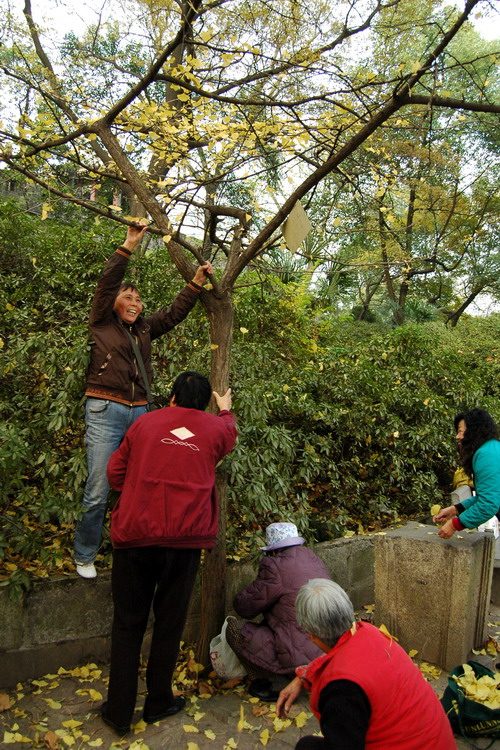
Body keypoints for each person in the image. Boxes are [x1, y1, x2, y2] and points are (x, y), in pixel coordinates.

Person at [100, 371, 237, 735]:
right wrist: (225, 410)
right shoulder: (213, 429)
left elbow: (115, 473)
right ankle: (158, 702)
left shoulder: (145, 424)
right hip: (184, 543)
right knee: (169, 622)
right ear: (206, 402)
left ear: (173, 397)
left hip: (135, 538)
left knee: (127, 624)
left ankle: (118, 711)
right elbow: (229, 434)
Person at [74, 224, 213, 578]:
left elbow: (172, 315)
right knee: (99, 487)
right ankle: (85, 553)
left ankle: (128, 543)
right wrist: (128, 246)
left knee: (143, 483)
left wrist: (195, 282)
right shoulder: (101, 322)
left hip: (141, 413)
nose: (135, 303)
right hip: (106, 408)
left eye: (138, 299)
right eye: (128, 297)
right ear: (113, 304)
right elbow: (106, 285)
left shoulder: (144, 330)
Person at [276, 579, 456, 749]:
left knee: (307, 747)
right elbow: (341, 657)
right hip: (438, 741)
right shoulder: (371, 633)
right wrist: (303, 677)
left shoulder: (341, 690)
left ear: (310, 634)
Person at [225, 522, 330, 702]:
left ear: (272, 550)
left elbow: (245, 608)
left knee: (234, 629)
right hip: (325, 649)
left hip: (298, 655)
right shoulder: (313, 558)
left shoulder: (274, 566)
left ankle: (266, 681)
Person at [434, 408, 500, 539]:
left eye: (460, 431)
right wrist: (455, 509)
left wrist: (454, 525)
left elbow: (488, 504)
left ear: (474, 430)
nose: (457, 436)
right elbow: (489, 495)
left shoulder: (486, 454)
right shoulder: (491, 448)